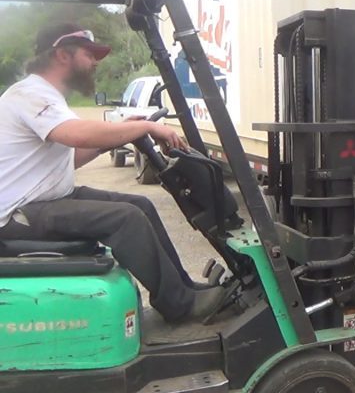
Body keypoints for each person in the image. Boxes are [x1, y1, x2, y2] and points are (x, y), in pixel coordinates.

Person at [0, 23, 224, 323]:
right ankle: (180, 305)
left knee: (140, 205)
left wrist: (124, 134)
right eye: (89, 54)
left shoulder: (45, 96)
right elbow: (78, 135)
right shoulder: (31, 95)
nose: (95, 62)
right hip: (17, 214)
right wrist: (143, 126)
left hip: (41, 201)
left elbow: (72, 158)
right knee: (125, 219)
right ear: (62, 55)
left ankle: (184, 289)